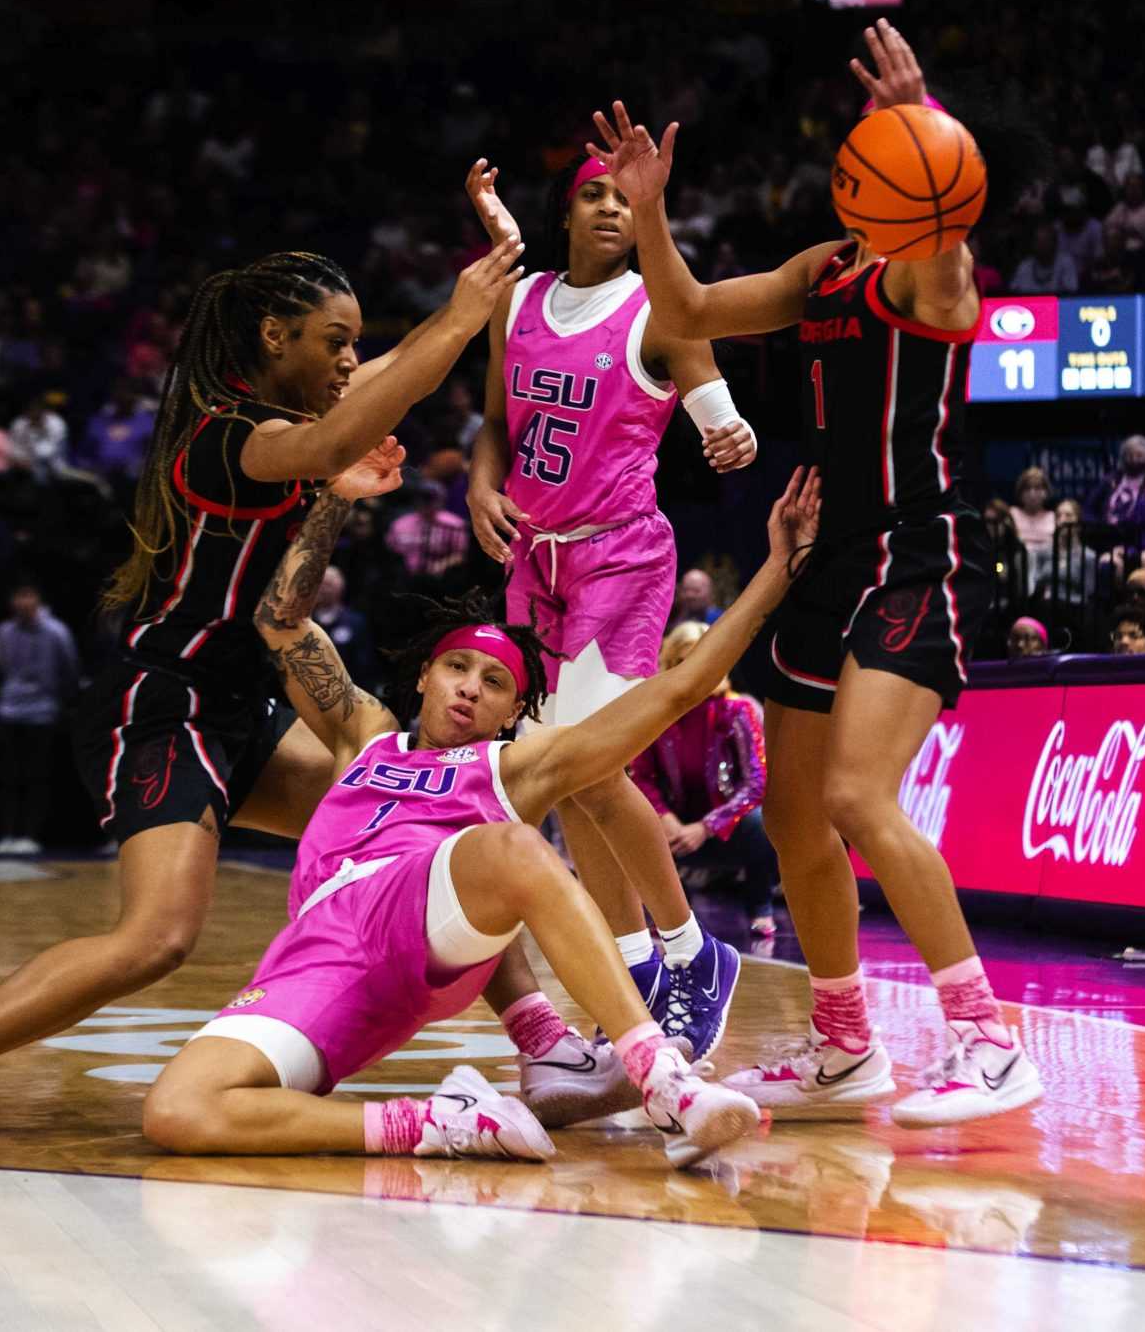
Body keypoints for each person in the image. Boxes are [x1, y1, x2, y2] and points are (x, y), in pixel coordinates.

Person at [0, 238, 524, 1141]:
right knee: (157, 939)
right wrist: (462, 315)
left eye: (357, 343)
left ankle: (544, 1045)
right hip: (164, 704)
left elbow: (371, 394)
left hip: (243, 705)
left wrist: (451, 326)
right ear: (275, 336)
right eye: (335, 341)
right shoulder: (224, 435)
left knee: (433, 823)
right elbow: (340, 432)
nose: (353, 361)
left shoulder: (288, 424)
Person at [136, 461, 819, 1169]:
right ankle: (446, 1121)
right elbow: (280, 620)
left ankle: (664, 1081)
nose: (470, 689)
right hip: (316, 957)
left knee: (513, 847)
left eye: (494, 683)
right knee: (179, 1109)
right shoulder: (366, 735)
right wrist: (336, 497)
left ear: (513, 713)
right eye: (458, 668)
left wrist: (777, 570)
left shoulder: (513, 766)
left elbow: (680, 688)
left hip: (419, 918)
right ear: (425, 674)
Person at [618, 21, 1043, 1125]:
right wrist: (652, 211)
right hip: (816, 559)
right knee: (797, 826)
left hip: (910, 552)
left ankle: (988, 1042)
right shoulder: (823, 273)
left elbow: (945, 244)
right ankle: (845, 1045)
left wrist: (921, 115)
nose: (865, 164)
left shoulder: (931, 287)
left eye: (886, 153)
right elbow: (690, 314)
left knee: (857, 796)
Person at [459, 148, 761, 1055]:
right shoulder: (517, 302)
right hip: (532, 560)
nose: (608, 210)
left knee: (587, 766)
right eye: (593, 194)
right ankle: (632, 973)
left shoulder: (659, 309)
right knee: (563, 778)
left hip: (619, 560)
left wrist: (729, 434)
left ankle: (692, 952)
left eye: (624, 201)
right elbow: (495, 423)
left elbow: (718, 415)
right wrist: (481, 486)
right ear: (566, 210)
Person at [630, 621, 776, 942]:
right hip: (673, 829)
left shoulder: (737, 710)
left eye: (703, 660)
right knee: (631, 820)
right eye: (683, 662)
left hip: (727, 830)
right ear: (670, 664)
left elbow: (756, 783)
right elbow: (640, 776)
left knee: (764, 822)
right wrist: (665, 818)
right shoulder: (656, 714)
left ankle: (760, 906)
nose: (694, 671)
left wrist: (706, 826)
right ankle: (673, 912)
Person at [0, 583, 77, 857]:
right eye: (18, 595)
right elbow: (0, 668)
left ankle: (30, 834)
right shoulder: (4, 631)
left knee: (36, 775)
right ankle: (7, 834)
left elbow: (69, 670)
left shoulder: (56, 631)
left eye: (28, 595)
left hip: (42, 711)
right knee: (8, 776)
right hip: (9, 710)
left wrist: (61, 705)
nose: (22, 601)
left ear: (38, 599)